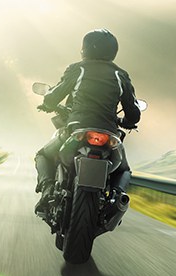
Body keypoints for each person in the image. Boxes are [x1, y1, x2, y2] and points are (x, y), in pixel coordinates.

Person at [34, 29, 141, 214]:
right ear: (113, 51)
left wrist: (47, 103)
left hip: (77, 129)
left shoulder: (78, 69)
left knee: (43, 155)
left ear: (85, 48)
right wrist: (125, 121)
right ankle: (117, 197)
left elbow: (53, 96)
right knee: (124, 169)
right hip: (109, 134)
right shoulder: (120, 75)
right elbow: (133, 112)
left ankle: (48, 190)